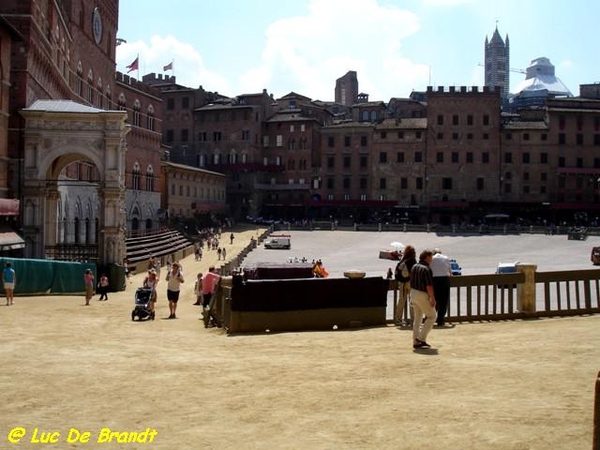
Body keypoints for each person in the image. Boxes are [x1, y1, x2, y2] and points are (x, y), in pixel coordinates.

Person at [409, 249, 437, 349]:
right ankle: (421, 339)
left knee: (417, 318)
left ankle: (415, 341)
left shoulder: (414, 266)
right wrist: (432, 298)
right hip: (422, 294)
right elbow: (429, 286)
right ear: (427, 257)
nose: (432, 259)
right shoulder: (426, 269)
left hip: (413, 292)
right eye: (431, 257)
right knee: (432, 316)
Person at [394, 245, 417, 326]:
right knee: (413, 302)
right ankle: (413, 321)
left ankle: (398, 320)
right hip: (411, 283)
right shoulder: (413, 260)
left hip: (403, 283)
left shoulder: (403, 260)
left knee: (401, 301)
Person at [430, 248, 453, 327]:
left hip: (434, 281)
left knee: (433, 300)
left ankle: (431, 319)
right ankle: (441, 320)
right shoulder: (446, 258)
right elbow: (450, 273)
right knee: (443, 301)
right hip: (444, 281)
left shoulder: (431, 258)